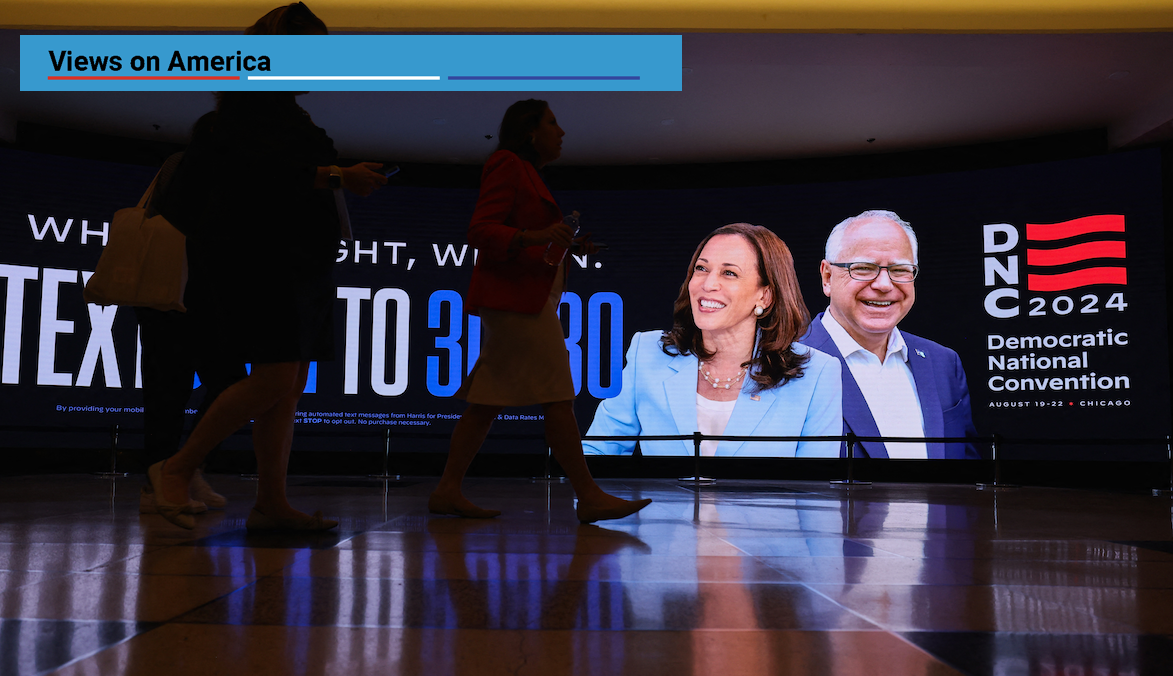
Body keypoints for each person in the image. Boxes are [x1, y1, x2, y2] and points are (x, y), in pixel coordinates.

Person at [148, 2, 388, 530]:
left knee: (288, 381)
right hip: (267, 258)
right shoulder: (244, 116)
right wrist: (337, 176)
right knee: (278, 372)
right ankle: (179, 466)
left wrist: (335, 177)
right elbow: (260, 177)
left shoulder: (276, 112)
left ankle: (271, 501)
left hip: (300, 259)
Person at [428, 99, 651, 523]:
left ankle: (447, 489)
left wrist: (561, 243)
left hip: (521, 300)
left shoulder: (525, 171)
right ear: (530, 131)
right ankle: (587, 494)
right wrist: (538, 235)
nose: (561, 132)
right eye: (553, 123)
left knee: (486, 402)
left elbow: (520, 236)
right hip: (519, 303)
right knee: (557, 396)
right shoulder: (508, 163)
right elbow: (481, 231)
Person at [584, 223, 842, 458]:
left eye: (729, 273)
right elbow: (596, 455)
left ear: (764, 296)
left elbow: (819, 489)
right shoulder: (647, 354)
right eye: (701, 268)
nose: (708, 284)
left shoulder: (817, 375)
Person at [799, 210, 979, 459]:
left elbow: (968, 478)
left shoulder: (944, 364)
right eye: (863, 268)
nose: (884, 285)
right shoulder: (786, 364)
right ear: (827, 277)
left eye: (900, 270)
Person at [135, 113, 247, 516]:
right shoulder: (195, 167)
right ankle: (167, 473)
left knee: (207, 384)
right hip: (178, 287)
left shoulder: (188, 165)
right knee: (177, 386)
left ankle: (179, 468)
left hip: (184, 289)